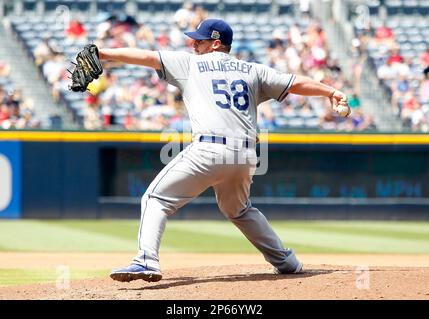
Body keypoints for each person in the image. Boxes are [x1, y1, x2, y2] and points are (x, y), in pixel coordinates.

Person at [99, 19, 350, 282]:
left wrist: (103, 53)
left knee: (156, 199)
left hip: (208, 149)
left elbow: (146, 57)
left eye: (200, 40)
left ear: (216, 43)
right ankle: (286, 261)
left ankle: (146, 260)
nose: (193, 44)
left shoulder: (190, 63)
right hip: (246, 156)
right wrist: (330, 91)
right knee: (239, 210)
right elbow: (295, 82)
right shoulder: (252, 69)